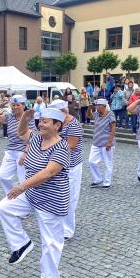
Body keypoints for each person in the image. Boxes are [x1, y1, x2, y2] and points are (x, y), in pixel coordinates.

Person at [0, 107, 70, 278]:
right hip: (33, 194)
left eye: (45, 121)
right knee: (4, 207)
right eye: (40, 120)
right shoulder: (37, 138)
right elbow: (22, 132)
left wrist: (21, 186)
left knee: (51, 242)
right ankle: (21, 244)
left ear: (57, 125)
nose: (41, 124)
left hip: (51, 200)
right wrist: (26, 118)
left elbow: (49, 173)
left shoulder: (62, 147)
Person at [49, 100, 83, 240]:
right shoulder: (60, 123)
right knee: (58, 195)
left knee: (69, 197)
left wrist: (50, 154)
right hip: (60, 165)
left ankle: (68, 229)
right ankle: (59, 225)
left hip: (71, 165)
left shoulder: (74, 125)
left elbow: (70, 147)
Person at [0, 95, 35, 194]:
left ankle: (26, 200)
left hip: (23, 151)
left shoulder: (28, 118)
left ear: (23, 106)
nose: (15, 107)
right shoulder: (9, 117)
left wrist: (26, 153)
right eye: (13, 105)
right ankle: (12, 194)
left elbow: (32, 137)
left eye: (17, 105)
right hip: (10, 151)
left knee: (23, 179)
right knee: (2, 176)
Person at [89, 99, 116, 188]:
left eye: (98, 106)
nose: (97, 107)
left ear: (104, 106)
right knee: (92, 161)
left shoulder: (110, 114)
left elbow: (113, 128)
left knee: (108, 163)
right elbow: (88, 116)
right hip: (96, 142)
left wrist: (109, 142)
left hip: (106, 142)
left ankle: (107, 182)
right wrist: (89, 108)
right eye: (96, 105)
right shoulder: (96, 114)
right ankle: (98, 179)